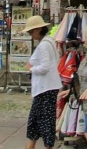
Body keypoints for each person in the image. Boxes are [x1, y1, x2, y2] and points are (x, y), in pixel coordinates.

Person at [24, 15, 60, 149]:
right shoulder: (49, 41)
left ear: (38, 30)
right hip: (46, 87)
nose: (30, 35)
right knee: (40, 119)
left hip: (45, 88)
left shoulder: (44, 45)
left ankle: (42, 146)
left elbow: (45, 67)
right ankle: (32, 145)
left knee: (43, 120)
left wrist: (31, 69)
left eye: (31, 32)